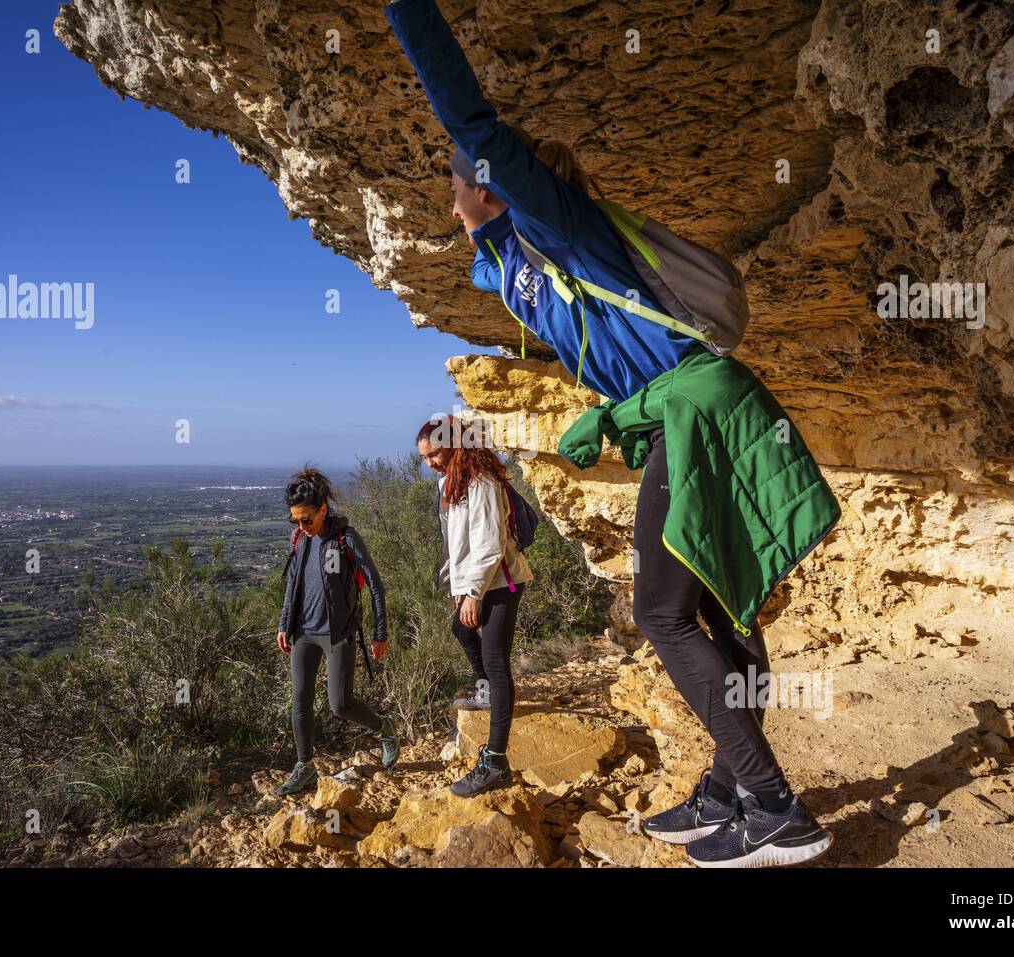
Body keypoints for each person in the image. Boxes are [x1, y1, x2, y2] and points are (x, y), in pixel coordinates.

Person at [387, 0, 840, 866]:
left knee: (662, 613)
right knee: (715, 605)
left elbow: (468, 118)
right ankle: (728, 784)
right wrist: (614, 415)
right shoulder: (521, 266)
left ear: (490, 182)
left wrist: (408, 14)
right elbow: (505, 271)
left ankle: (775, 804)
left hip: (703, 412)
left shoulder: (563, 229)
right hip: (687, 413)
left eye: (455, 186)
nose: (449, 203)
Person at [417, 416, 532, 797]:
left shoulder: (481, 479)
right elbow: (456, 543)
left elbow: (489, 543)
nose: (430, 461)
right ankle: (485, 692)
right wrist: (457, 584)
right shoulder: (451, 482)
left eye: (434, 453)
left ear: (454, 444)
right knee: (462, 630)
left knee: (497, 662)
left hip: (500, 580)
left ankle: (496, 761)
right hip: (480, 582)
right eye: (425, 457)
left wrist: (474, 593)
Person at [274, 467, 398, 795]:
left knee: (340, 704)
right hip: (304, 633)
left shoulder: (345, 538)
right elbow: (293, 582)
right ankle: (305, 767)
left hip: (338, 633)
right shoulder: (300, 539)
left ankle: (382, 726)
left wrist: (379, 632)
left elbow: (374, 583)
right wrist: (284, 623)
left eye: (306, 519)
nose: (301, 526)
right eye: (296, 520)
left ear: (323, 510)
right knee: (299, 700)